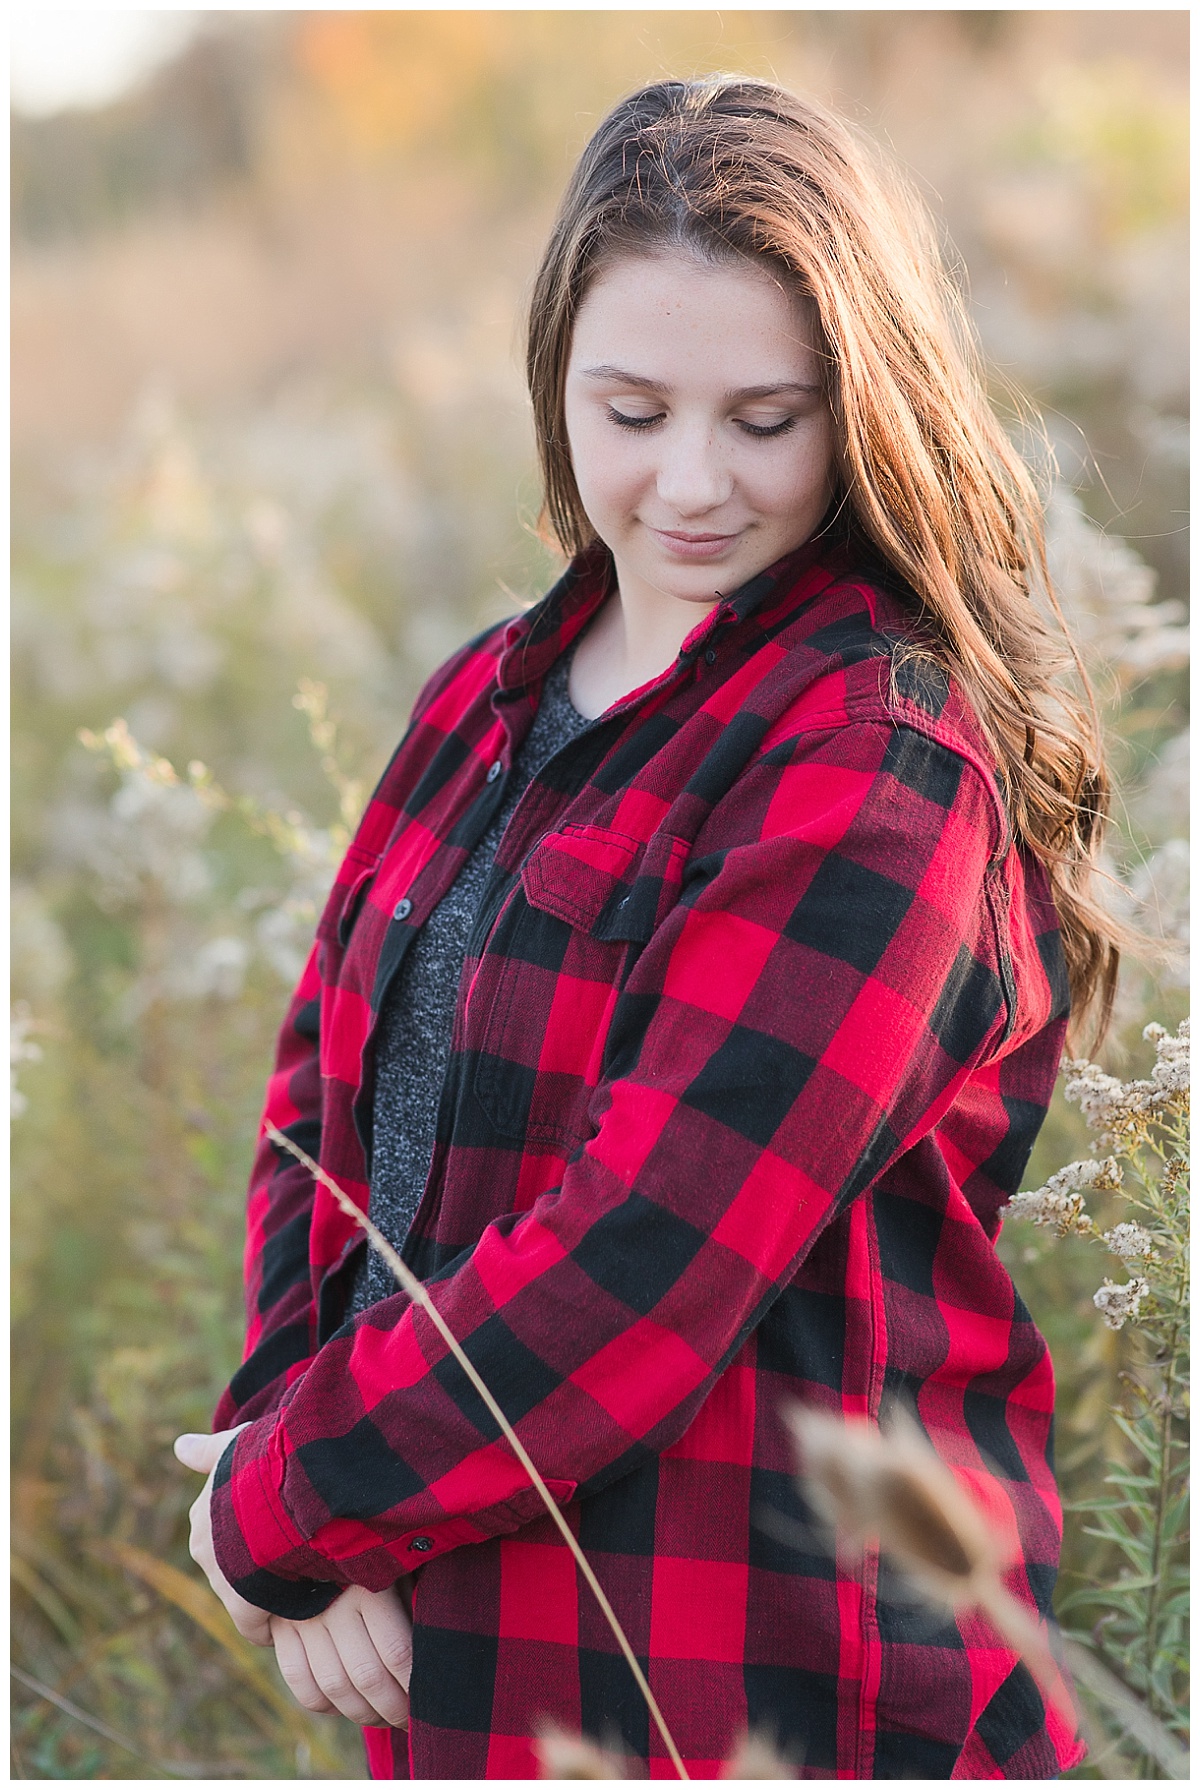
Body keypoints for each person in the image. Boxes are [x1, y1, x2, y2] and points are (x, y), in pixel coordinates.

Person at [173, 76, 1117, 1779]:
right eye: (632, 409)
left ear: (864, 407)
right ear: (556, 389)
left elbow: (649, 1251)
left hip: (755, 1678)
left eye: (768, 419)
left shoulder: (875, 757)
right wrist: (286, 1473)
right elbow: (318, 1096)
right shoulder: (484, 694)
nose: (692, 481)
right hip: (463, 1652)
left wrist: (290, 1497)